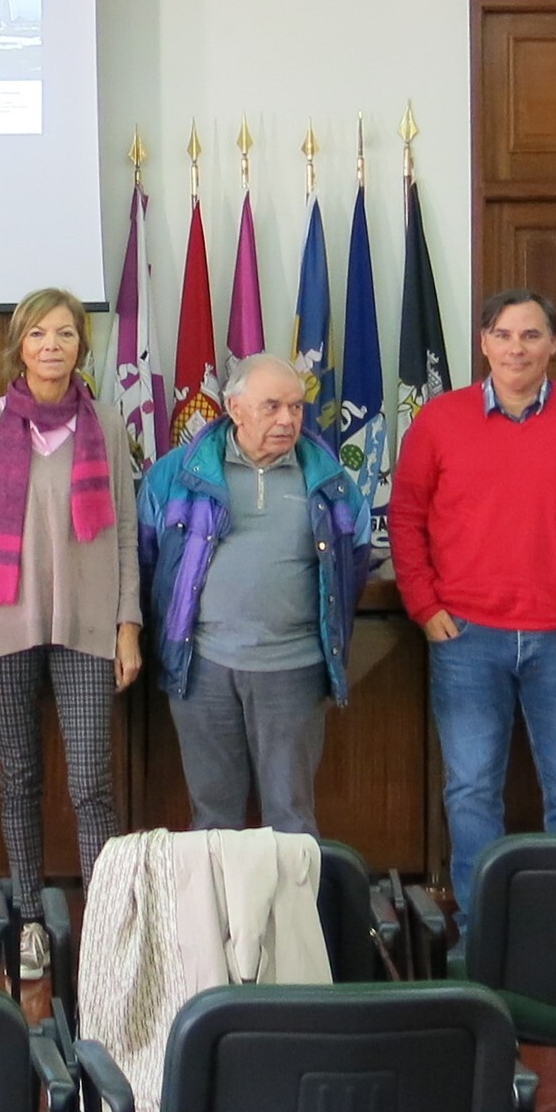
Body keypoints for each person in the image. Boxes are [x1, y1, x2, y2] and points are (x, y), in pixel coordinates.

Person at [389, 289, 556, 926]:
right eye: (503, 335)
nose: (516, 348)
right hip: (466, 637)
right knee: (472, 789)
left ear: (554, 344)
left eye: (531, 335)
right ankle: (483, 930)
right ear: (483, 343)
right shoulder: (439, 421)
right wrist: (423, 604)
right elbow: (406, 519)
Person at [0, 290, 141, 979]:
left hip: (88, 627)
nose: (52, 346)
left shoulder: (106, 423)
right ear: (20, 346)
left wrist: (128, 625)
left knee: (91, 784)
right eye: (38, 334)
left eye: (65, 333)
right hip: (5, 624)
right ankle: (29, 920)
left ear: (81, 347)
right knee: (19, 779)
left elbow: (125, 531)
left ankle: (104, 930)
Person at [138, 353, 370, 839]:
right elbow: (149, 559)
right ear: (235, 408)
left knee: (291, 819)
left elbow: (354, 561)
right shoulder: (177, 475)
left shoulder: (328, 479)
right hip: (202, 668)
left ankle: (290, 897)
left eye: (296, 407)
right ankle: (220, 897)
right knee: (213, 820)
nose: (288, 419)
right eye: (272, 406)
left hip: (294, 669)